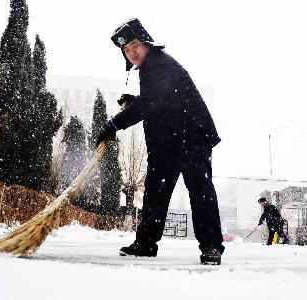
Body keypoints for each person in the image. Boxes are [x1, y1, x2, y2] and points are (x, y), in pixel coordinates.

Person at [96, 18, 224, 265]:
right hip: (167, 140)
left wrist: (115, 123)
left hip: (191, 135)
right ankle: (145, 243)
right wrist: (134, 102)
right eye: (126, 49)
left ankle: (211, 247)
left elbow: (151, 103)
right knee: (155, 190)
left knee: (199, 190)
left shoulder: (160, 63)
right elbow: (159, 102)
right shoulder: (150, 67)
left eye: (134, 45)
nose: (131, 52)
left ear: (145, 43)